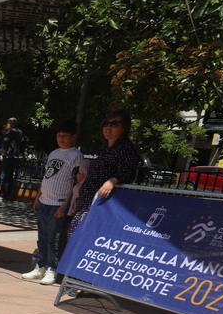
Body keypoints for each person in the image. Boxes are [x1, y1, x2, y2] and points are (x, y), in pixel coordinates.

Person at [23, 120, 86, 286]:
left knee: (54, 239)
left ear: (73, 137)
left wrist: (65, 206)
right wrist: (38, 197)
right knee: (42, 237)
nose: (61, 138)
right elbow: (47, 176)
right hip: (45, 201)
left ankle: (53, 268)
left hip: (58, 204)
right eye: (59, 135)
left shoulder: (76, 156)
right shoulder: (53, 153)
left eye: (65, 136)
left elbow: (74, 183)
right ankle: (41, 266)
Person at [65, 109, 139, 238]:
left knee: (80, 241)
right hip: (88, 204)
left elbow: (128, 173)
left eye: (114, 124)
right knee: (74, 239)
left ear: (124, 128)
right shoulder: (107, 150)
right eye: (106, 123)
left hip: (102, 208)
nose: (108, 127)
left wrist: (113, 180)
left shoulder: (126, 148)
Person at [0, 117, 28, 200]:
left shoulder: (10, 131)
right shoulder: (20, 132)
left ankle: (3, 194)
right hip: (16, 156)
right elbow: (25, 141)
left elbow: (6, 141)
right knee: (10, 175)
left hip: (8, 155)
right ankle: (7, 193)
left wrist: (4, 152)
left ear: (10, 123)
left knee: (5, 175)